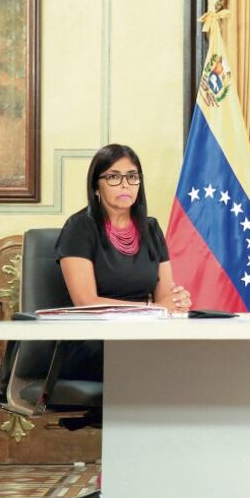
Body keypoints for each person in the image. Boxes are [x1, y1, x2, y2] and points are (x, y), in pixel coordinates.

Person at [55, 144, 192, 379]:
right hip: (93, 340)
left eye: (132, 177)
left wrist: (177, 302)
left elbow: (164, 299)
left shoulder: (151, 228)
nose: (125, 184)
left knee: (194, 355)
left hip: (141, 336)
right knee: (158, 366)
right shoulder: (80, 227)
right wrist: (153, 310)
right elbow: (86, 302)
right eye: (113, 177)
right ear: (96, 186)